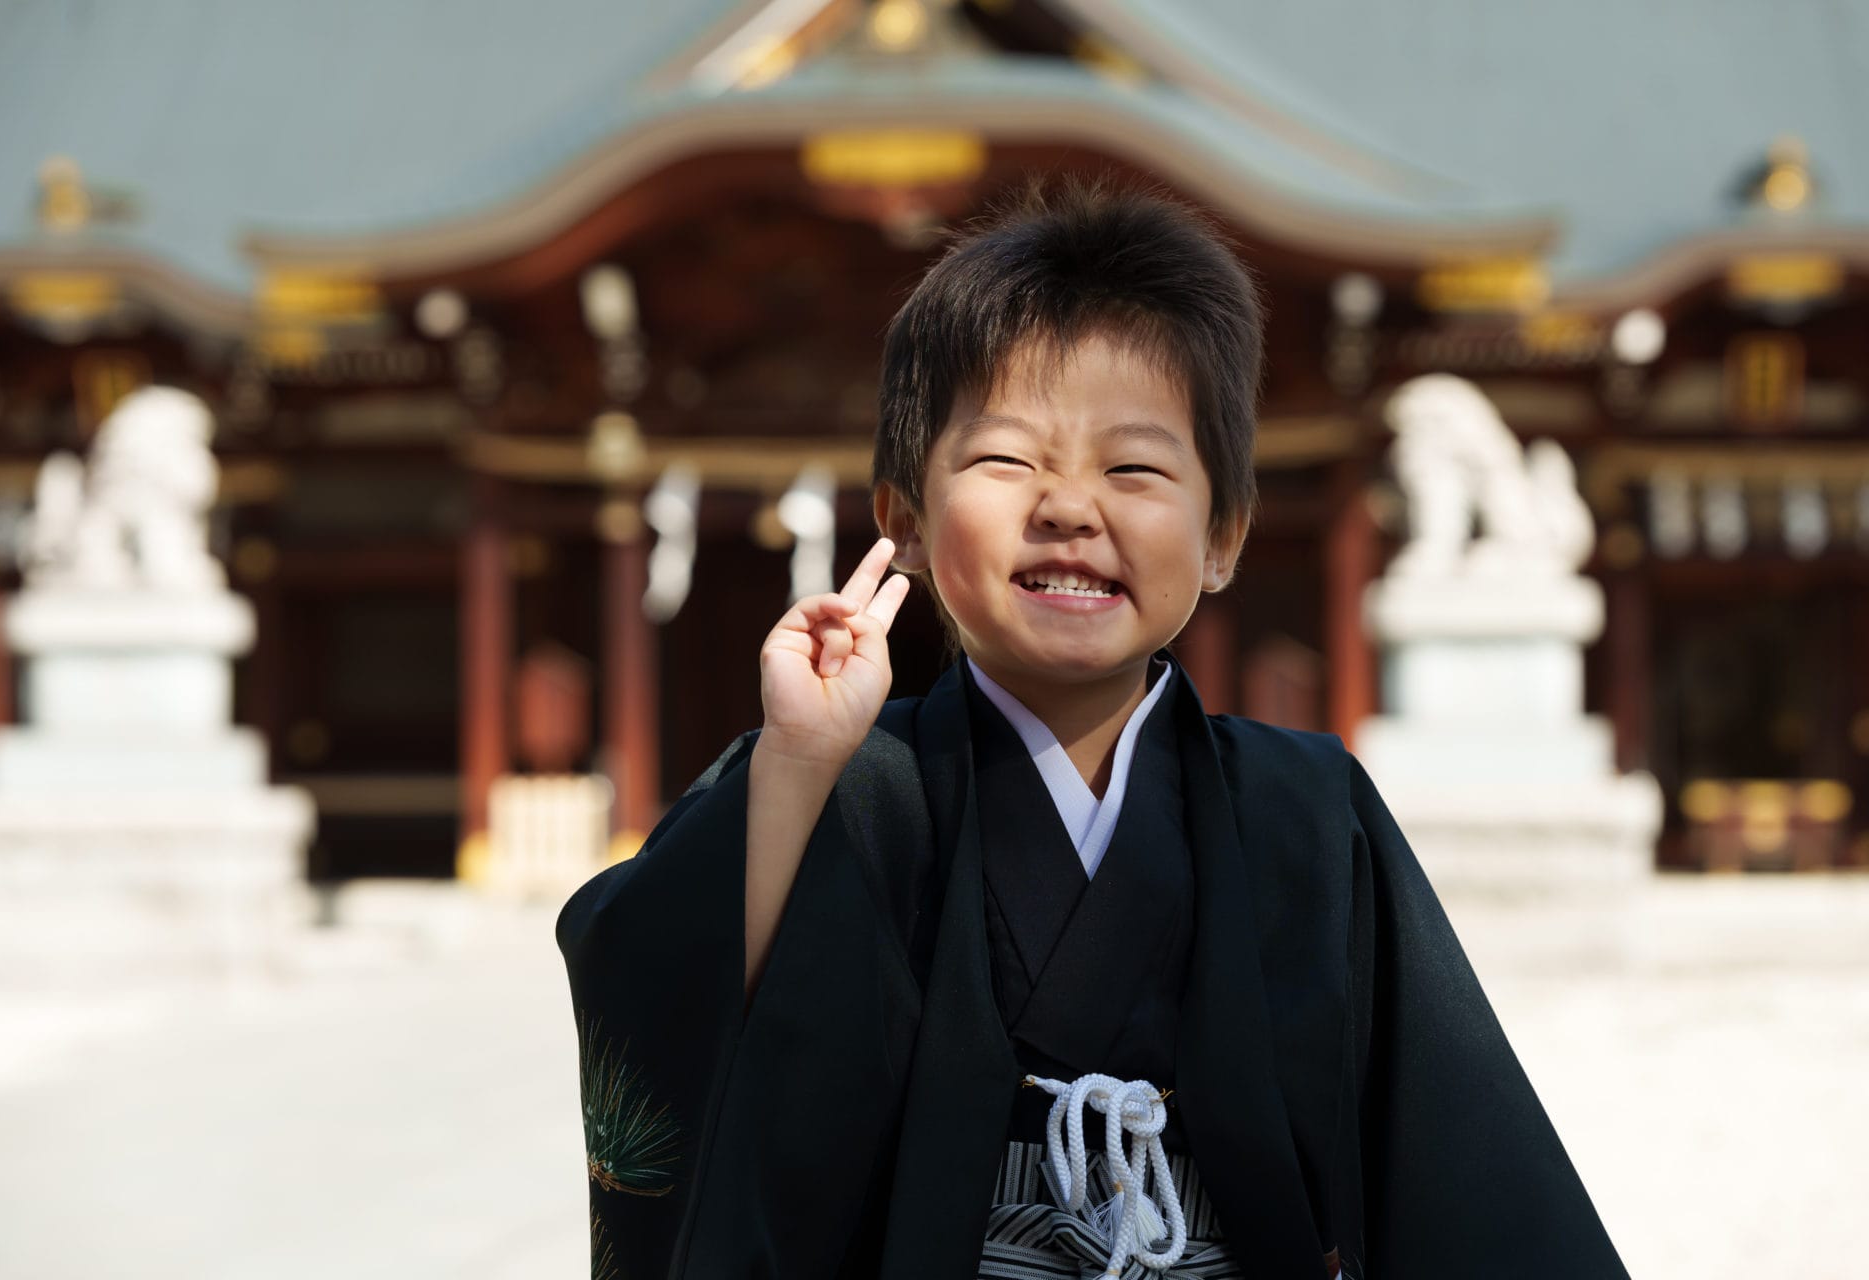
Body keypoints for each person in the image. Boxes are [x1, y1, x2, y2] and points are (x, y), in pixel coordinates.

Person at [557, 184, 1629, 1280]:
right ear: (904, 522)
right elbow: (651, 976)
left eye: (1134, 467)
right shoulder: (851, 783)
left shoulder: (1304, 808)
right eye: (1007, 459)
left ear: (1222, 538)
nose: (1070, 505)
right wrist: (794, 762)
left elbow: (1462, 1158)